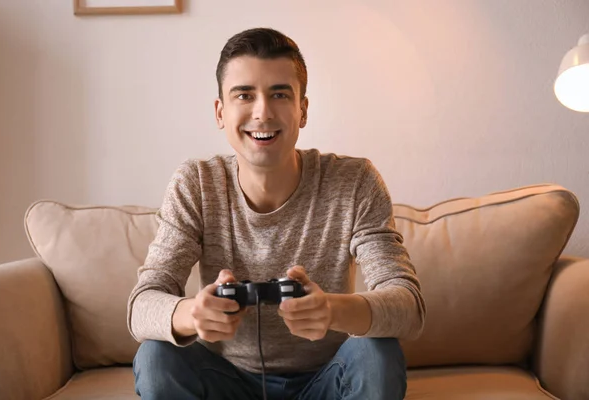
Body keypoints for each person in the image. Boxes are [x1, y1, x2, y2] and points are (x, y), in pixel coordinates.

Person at [127, 27, 426, 400]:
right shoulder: (196, 184)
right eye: (244, 95)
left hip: (328, 379)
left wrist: (331, 310)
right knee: (155, 356)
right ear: (221, 112)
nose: (262, 112)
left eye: (279, 94)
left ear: (302, 110)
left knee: (378, 353)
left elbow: (408, 306)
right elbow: (142, 305)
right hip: (227, 381)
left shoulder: (355, 181)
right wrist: (193, 314)